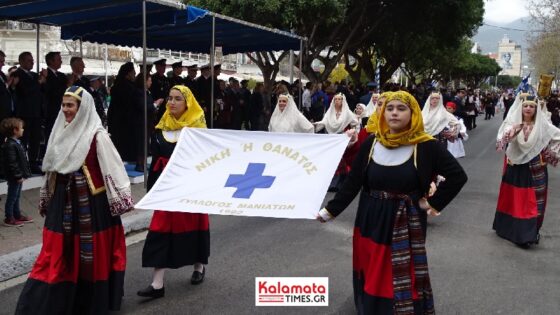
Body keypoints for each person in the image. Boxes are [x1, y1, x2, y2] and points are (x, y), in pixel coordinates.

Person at [316, 91, 467, 314]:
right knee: (372, 268)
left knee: (399, 272)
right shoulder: (372, 143)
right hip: (370, 218)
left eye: (401, 108)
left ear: (413, 112)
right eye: (389, 108)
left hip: (406, 220)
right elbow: (353, 182)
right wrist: (329, 211)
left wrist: (432, 203)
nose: (394, 113)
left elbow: (457, 176)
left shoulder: (426, 146)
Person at [15, 86, 133, 314]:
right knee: (57, 251)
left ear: (82, 108)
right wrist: (47, 197)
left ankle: (90, 301)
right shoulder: (59, 131)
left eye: (71, 105)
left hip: (92, 203)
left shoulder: (97, 135)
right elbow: (51, 169)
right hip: (64, 200)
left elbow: (113, 167)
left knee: (91, 255)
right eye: (64, 105)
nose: (66, 109)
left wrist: (120, 198)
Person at [138, 85, 210, 299]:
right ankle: (157, 284)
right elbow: (155, 164)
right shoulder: (161, 129)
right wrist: (152, 190)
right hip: (167, 189)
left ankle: (199, 266)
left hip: (190, 188)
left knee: (195, 227)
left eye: (177, 98)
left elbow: (207, 161)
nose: (171, 102)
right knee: (160, 230)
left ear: (187, 103)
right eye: (169, 98)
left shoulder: (198, 131)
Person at [494, 94, 560, 248]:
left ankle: (529, 234)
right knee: (515, 198)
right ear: (521, 108)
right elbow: (503, 140)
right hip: (516, 166)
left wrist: (550, 152)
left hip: (535, 167)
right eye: (525, 106)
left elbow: (557, 136)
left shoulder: (544, 126)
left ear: (536, 109)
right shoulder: (514, 124)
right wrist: (512, 132)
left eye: (532, 106)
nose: (528, 108)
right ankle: (510, 229)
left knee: (535, 201)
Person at [13, 52, 45, 174]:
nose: (31, 62)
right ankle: (21, 164)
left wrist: (42, 81)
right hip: (24, 112)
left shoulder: (34, 75)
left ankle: (33, 162)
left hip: (36, 112)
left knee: (35, 139)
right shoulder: (17, 74)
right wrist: (39, 82)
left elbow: (41, 91)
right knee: (24, 139)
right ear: (21, 61)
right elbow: (25, 91)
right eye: (28, 60)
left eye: (32, 60)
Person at [0, 117, 33, 226]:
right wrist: (18, 175)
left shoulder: (16, 142)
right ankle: (9, 218)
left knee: (17, 196)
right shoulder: (10, 145)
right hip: (14, 176)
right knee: (12, 196)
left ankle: (17, 214)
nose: (23, 130)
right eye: (21, 128)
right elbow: (12, 163)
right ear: (15, 130)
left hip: (18, 175)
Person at [107, 62, 138, 162]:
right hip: (125, 123)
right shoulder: (128, 87)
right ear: (128, 74)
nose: (135, 75)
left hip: (117, 122)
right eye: (133, 73)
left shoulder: (117, 85)